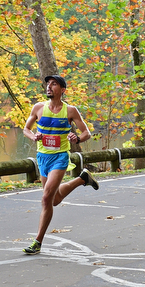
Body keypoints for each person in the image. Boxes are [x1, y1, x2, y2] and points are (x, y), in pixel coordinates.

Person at [22, 75, 99, 254]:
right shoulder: (38, 108)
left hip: (60, 157)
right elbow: (26, 128)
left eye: (54, 84)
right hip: (42, 158)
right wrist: (33, 136)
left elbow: (86, 133)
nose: (49, 87)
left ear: (62, 90)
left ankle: (37, 242)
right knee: (54, 200)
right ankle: (83, 179)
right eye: (47, 84)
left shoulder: (70, 111)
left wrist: (77, 138)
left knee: (46, 198)